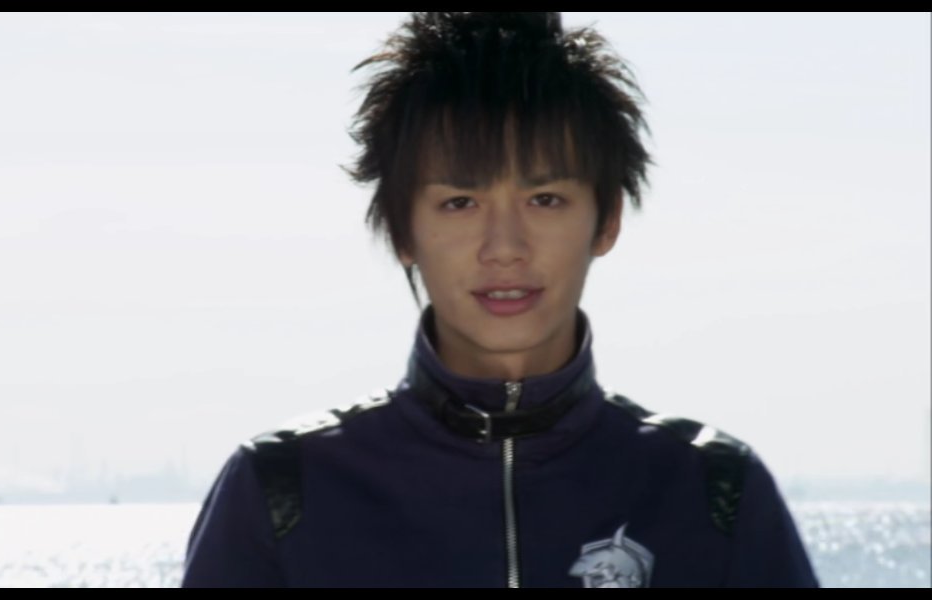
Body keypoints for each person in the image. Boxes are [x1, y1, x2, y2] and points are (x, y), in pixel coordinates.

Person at [180, 12, 821, 588]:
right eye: (460, 202)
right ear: (402, 231)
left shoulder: (714, 492)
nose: (505, 247)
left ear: (606, 221)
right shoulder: (283, 492)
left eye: (545, 199)